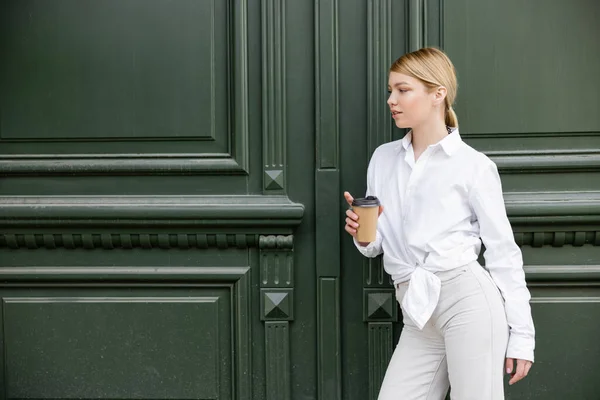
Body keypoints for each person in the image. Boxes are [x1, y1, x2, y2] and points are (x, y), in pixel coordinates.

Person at [343, 47, 535, 399]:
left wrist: (522, 335)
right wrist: (362, 232)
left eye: (403, 90)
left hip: (467, 301)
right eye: (390, 90)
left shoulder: (473, 166)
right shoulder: (383, 159)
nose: (391, 100)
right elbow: (375, 247)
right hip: (417, 311)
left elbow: (503, 254)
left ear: (437, 94)